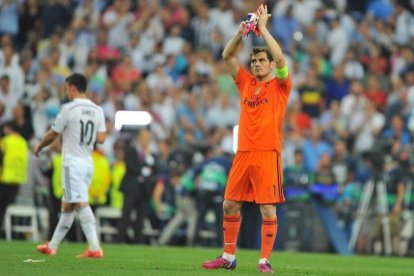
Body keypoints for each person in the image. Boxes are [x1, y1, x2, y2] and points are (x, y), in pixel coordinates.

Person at [202, 4, 292, 273]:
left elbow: (281, 59)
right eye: (254, 61)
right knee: (229, 203)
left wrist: (262, 29)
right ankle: (228, 257)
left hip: (267, 152)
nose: (256, 63)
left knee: (268, 210)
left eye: (261, 60)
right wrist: (241, 33)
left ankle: (264, 261)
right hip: (243, 152)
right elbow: (227, 55)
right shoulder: (246, 83)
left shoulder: (280, 85)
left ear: (271, 65)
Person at [34, 73, 107, 258]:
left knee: (80, 203)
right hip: (88, 163)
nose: (66, 92)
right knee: (67, 205)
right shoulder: (98, 110)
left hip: (72, 162)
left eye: (67, 88)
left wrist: (39, 146)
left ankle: (94, 247)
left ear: (73, 88)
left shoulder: (69, 108)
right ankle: (52, 246)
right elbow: (101, 138)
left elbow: (53, 134)